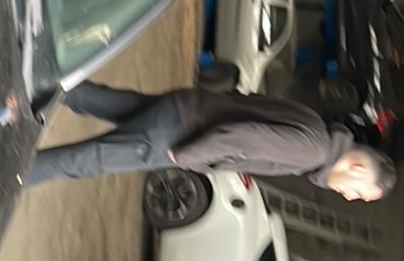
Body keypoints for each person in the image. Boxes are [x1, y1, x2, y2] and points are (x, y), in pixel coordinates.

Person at [26, 80, 396, 200]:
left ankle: (36, 81)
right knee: (87, 161)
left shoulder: (316, 127)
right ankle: (10, 175)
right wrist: (188, 156)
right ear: (357, 168)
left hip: (188, 109)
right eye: (359, 192)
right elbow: (242, 137)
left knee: (104, 101)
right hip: (179, 134)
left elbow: (248, 103)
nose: (350, 196)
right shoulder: (310, 151)